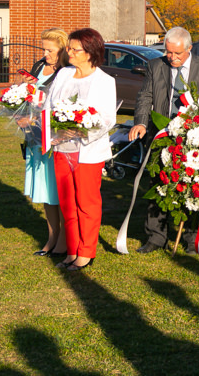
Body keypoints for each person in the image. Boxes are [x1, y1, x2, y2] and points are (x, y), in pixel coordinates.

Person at [130, 27, 199, 254]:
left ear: (189, 49)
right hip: (161, 134)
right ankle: (156, 236)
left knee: (192, 186)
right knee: (157, 183)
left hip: (194, 137)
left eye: (177, 54)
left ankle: (191, 238)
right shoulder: (156, 65)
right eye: (168, 52)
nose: (171, 57)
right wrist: (141, 122)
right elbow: (145, 96)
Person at [46, 28, 117, 271]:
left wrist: (80, 130)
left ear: (90, 53)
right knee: (67, 202)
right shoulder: (63, 75)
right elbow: (48, 107)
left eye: (75, 49)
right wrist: (56, 131)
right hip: (61, 149)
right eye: (69, 48)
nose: (70, 53)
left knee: (86, 202)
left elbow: (107, 118)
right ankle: (72, 249)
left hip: (88, 152)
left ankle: (86, 252)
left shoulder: (105, 81)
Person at [25, 27, 70, 257]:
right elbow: (27, 94)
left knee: (58, 189)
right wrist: (20, 113)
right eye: (43, 48)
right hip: (34, 136)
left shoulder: (67, 71)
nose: (45, 54)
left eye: (49, 49)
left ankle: (64, 239)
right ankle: (51, 237)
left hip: (54, 138)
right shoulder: (38, 66)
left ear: (62, 49)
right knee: (44, 190)